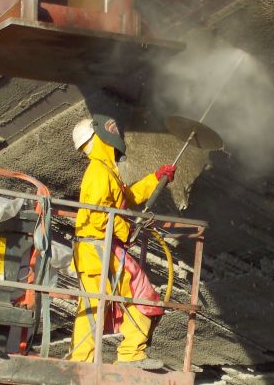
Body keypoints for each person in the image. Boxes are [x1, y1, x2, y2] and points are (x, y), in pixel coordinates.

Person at [68, 114, 176, 369]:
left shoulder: (105, 171)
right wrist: (125, 229)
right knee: (124, 297)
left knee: (101, 303)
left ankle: (109, 357)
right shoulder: (98, 172)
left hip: (99, 248)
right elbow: (97, 215)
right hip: (97, 248)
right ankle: (123, 354)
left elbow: (126, 196)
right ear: (101, 136)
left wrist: (155, 178)